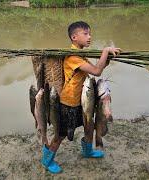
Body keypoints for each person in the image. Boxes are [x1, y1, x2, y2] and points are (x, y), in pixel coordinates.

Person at [41, 21, 121, 174]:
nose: (89, 37)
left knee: (89, 126)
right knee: (60, 135)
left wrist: (107, 58)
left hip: (82, 101)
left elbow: (95, 69)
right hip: (68, 103)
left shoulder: (81, 54)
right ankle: (47, 160)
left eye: (90, 34)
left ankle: (87, 151)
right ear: (74, 37)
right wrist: (105, 50)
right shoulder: (73, 57)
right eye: (86, 34)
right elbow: (97, 72)